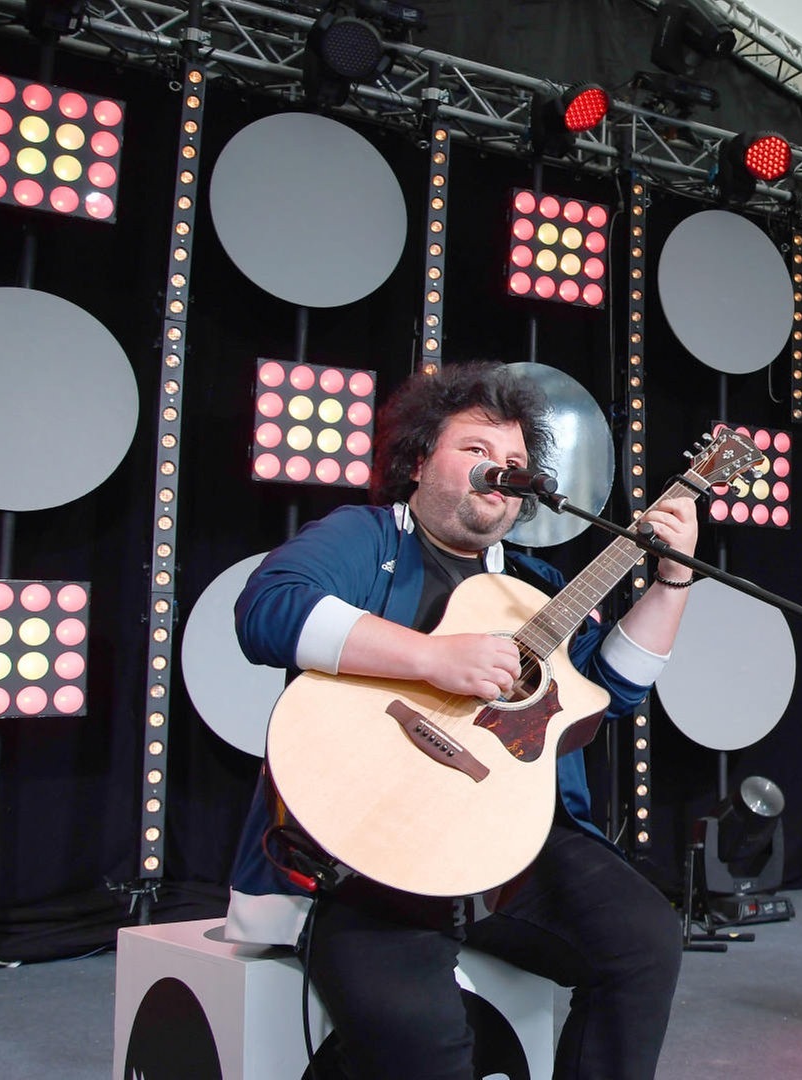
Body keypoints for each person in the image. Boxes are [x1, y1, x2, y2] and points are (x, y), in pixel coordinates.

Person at [225, 361, 700, 1080]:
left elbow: (612, 690)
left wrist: (673, 579)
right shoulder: (367, 539)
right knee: (422, 1038)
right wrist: (430, 659)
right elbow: (268, 612)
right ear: (418, 460)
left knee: (645, 942)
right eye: (477, 450)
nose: (500, 471)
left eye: (515, 463)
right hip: (371, 845)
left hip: (516, 846)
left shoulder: (533, 589)